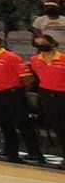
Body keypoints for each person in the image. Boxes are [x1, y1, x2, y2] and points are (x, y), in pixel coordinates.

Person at [0, 32, 40, 164]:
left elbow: (28, 78)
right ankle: (10, 150)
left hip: (11, 94)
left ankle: (35, 153)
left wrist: (17, 91)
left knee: (22, 123)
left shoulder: (12, 57)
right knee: (4, 124)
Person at [30, 33, 65, 167]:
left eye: (43, 42)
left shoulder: (63, 58)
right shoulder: (35, 60)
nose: (41, 45)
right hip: (46, 93)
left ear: (52, 43)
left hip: (63, 93)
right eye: (38, 43)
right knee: (58, 127)